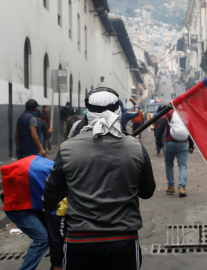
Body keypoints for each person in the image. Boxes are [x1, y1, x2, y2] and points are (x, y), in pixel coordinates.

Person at [43, 87, 156, 270]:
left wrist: (50, 204)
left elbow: (51, 192)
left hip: (79, 242)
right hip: (123, 241)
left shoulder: (67, 149)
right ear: (118, 112)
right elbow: (147, 191)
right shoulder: (136, 148)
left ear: (87, 113)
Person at [157, 109, 194, 197]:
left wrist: (159, 141)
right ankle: (182, 188)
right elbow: (189, 130)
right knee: (183, 166)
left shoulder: (169, 112)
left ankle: (171, 186)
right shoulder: (185, 112)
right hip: (183, 144)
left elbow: (162, 124)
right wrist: (191, 145)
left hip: (170, 143)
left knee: (169, 165)